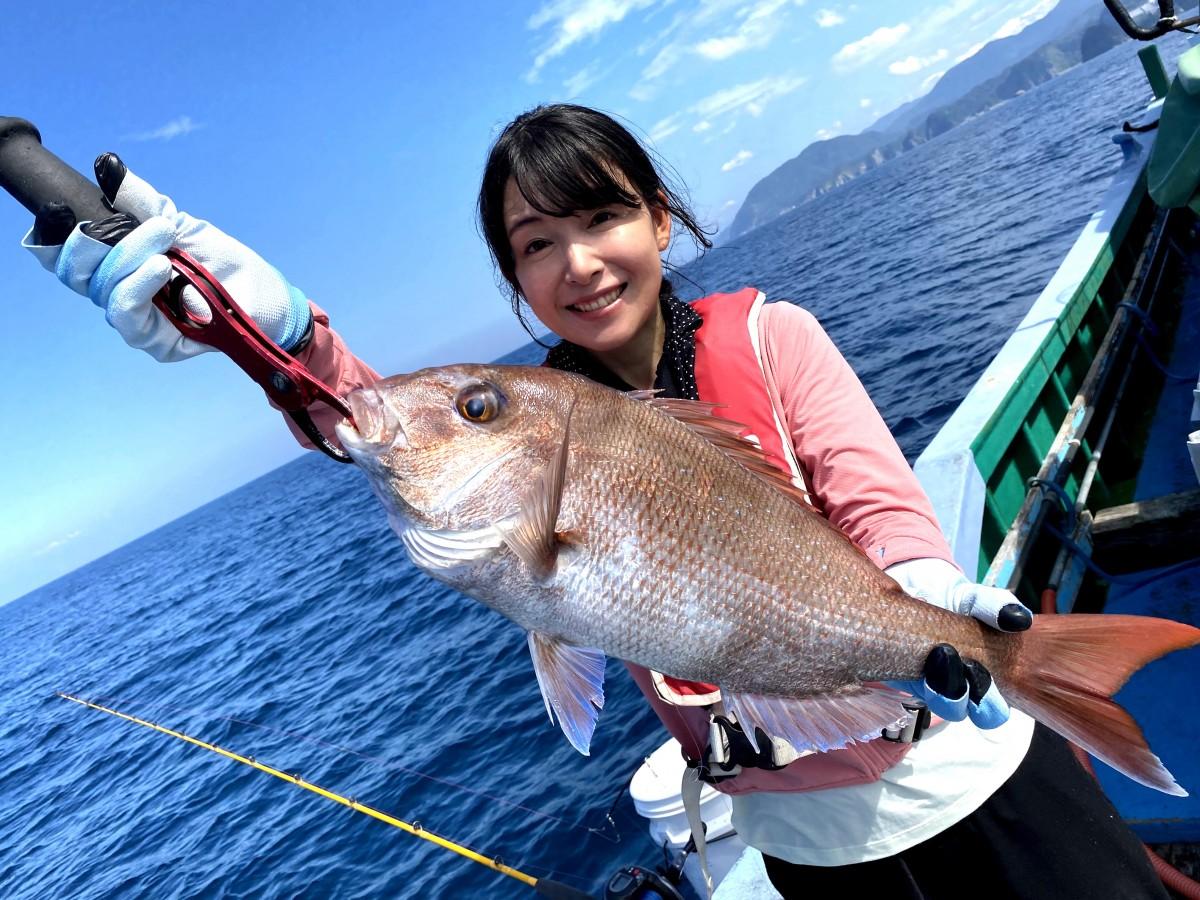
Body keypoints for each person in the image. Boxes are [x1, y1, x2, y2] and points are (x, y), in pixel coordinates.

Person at [23, 104, 1168, 899]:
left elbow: (878, 511)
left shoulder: (771, 337)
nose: (578, 262)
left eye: (603, 218)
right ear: (515, 277)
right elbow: (370, 416)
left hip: (970, 779)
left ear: (659, 220)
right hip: (811, 852)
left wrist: (924, 596)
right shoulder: (537, 418)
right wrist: (267, 335)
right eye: (537, 244)